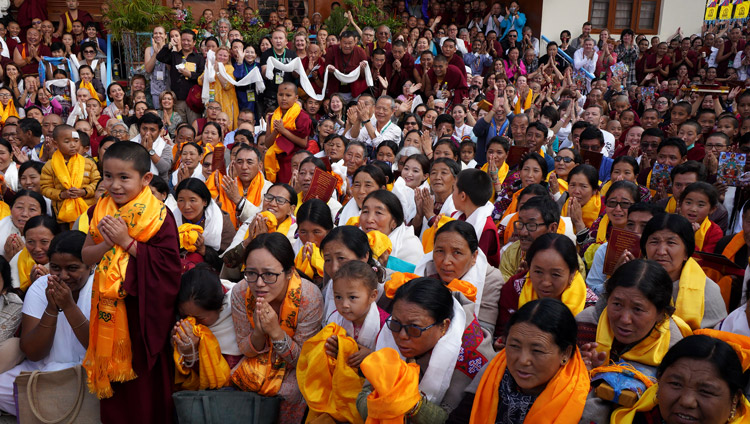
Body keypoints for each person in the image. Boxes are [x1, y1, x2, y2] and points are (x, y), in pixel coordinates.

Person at [81, 141, 181, 423]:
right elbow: (87, 255)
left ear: (146, 178)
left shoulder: (160, 216)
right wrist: (108, 243)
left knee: (144, 389)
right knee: (117, 392)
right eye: (108, 176)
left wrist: (127, 242)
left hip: (143, 312)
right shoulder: (100, 210)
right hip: (109, 307)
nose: (115, 185)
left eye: (124, 177)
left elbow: (169, 267)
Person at [358, 277, 495, 422]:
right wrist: (385, 405)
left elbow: (456, 420)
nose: (402, 336)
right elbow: (364, 394)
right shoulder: (392, 330)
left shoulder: (475, 360)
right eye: (396, 323)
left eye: (414, 328)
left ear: (444, 326)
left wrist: (411, 404)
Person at [577, 259, 693, 422]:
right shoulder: (586, 323)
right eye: (617, 304)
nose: (624, 319)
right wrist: (579, 369)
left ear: (661, 313)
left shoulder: (673, 348)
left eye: (638, 309)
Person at [230, 232, 323, 424]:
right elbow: (245, 349)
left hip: (293, 368)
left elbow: (302, 360)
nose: (259, 283)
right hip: (256, 361)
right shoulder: (241, 292)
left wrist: (276, 333)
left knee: (290, 392)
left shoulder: (309, 297)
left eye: (269, 274)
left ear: (289, 272)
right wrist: (258, 332)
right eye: (251, 273)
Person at [468, 298, 590, 423]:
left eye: (537, 351)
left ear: (565, 353)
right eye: (515, 346)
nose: (523, 360)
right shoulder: (493, 373)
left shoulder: (583, 404)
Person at [611, 333, 750, 423]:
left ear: (734, 399)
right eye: (676, 384)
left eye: (706, 391)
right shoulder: (637, 419)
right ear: (659, 382)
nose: (687, 401)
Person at [640, 213, 726, 330]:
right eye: (654, 242)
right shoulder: (632, 279)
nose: (661, 251)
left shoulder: (707, 291)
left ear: (686, 252)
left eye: (671, 243)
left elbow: (716, 338)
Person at [415, 220, 503, 333]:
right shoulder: (426, 270)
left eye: (457, 253)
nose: (446, 261)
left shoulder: (490, 279)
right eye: (440, 251)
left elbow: (484, 332)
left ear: (474, 257)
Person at [172, 265, 241, 391]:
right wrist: (187, 352)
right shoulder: (178, 322)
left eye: (200, 318)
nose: (192, 322)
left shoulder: (239, 312)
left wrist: (197, 352)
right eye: (185, 315)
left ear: (219, 307)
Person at [40, 124, 100, 226]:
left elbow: (97, 183)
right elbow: (45, 188)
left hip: (87, 210)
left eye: (76, 141)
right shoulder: (50, 166)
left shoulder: (89, 163)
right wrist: (62, 194)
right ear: (55, 144)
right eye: (67, 142)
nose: (73, 145)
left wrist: (84, 191)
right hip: (62, 214)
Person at [174, 178, 234, 272]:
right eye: (181, 200)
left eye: (192, 200)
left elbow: (230, 262)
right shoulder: (173, 220)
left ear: (205, 201)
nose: (186, 206)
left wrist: (204, 250)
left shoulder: (221, 222)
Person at [206, 144, 271, 229]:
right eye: (240, 162)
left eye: (249, 162)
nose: (244, 167)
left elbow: (264, 219)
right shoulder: (227, 186)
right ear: (234, 164)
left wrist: (238, 200)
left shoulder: (268, 189)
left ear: (260, 166)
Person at [264, 82, 312, 184]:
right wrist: (275, 132)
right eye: (281, 95)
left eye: (288, 95)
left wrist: (283, 131)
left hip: (295, 163)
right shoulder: (272, 117)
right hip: (277, 162)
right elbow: (268, 144)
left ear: (296, 98)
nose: (284, 98)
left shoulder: (302, 116)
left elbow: (304, 143)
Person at [451, 168, 500, 266]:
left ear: (463, 196)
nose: (451, 195)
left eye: (454, 190)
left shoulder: (486, 228)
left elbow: (477, 264)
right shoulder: (457, 216)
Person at [359, 190, 422, 266]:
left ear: (394, 222)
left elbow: (415, 275)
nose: (369, 219)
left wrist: (387, 266)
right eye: (365, 211)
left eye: (378, 213)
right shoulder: (354, 240)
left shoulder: (410, 246)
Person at [156, 29, 206, 124]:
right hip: (178, 99)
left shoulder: (199, 58)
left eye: (188, 40)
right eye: (183, 40)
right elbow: (160, 57)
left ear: (194, 42)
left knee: (193, 126)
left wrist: (190, 75)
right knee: (180, 127)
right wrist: (170, 45)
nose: (185, 43)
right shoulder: (174, 55)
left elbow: (202, 75)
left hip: (193, 100)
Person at [10, 215, 60, 293]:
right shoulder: (17, 260)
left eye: (44, 242)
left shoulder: (66, 262)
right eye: (30, 242)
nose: (37, 249)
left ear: (57, 239)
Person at [0, 190, 46, 260]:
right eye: (19, 207)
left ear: (42, 214)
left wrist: (23, 256)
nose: (24, 214)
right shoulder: (2, 226)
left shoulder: (47, 234)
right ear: (10, 208)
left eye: (32, 209)